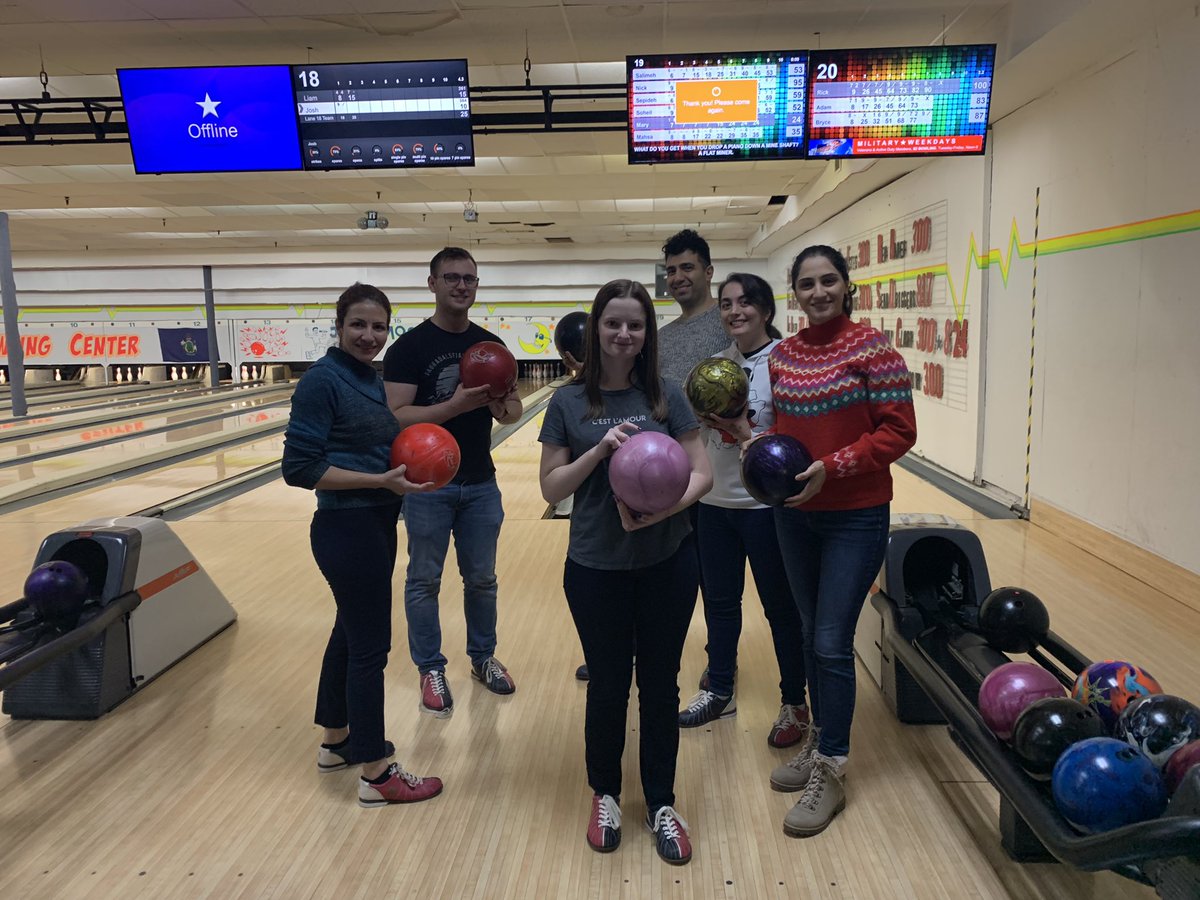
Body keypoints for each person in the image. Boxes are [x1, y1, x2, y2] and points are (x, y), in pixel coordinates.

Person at [539, 279, 713, 865]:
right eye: (612, 323)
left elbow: (702, 473)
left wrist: (663, 510)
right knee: (609, 685)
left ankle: (661, 802)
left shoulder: (666, 395)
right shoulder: (568, 403)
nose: (623, 333)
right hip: (596, 566)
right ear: (596, 327)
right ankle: (606, 795)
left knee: (661, 685)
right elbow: (551, 487)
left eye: (635, 324)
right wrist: (598, 452)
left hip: (668, 560)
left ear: (646, 332)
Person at [764, 245, 917, 837]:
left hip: (855, 514)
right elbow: (782, 428)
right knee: (810, 634)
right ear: (795, 293)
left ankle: (832, 765)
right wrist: (756, 446)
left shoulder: (874, 350)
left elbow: (899, 430)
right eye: (807, 284)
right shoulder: (784, 355)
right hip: (795, 516)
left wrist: (834, 465)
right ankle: (821, 742)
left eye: (829, 280)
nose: (819, 292)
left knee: (830, 640)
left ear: (847, 285)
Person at [282, 282, 443, 808]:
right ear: (339, 326)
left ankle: (337, 741)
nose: (369, 335)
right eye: (358, 324)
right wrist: (380, 482)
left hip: (372, 524)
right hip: (347, 528)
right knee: (371, 648)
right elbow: (299, 468)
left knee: (349, 635)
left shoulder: (367, 377)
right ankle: (376, 773)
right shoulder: (322, 381)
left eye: (378, 326)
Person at [383, 248, 523, 718]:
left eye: (469, 278)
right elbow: (395, 417)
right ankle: (430, 668)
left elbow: (513, 411)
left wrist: (503, 406)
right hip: (427, 487)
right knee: (424, 580)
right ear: (432, 283)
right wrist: (453, 406)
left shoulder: (490, 345)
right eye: (451, 278)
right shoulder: (409, 348)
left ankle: (483, 659)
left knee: (482, 579)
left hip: (480, 481)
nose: (461, 286)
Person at [677, 273, 810, 750]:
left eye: (745, 302)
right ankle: (720, 690)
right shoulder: (714, 366)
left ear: (766, 310)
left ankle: (794, 702)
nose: (735, 311)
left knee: (780, 609)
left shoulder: (786, 363)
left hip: (765, 507)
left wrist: (743, 430)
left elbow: (796, 441)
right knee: (719, 604)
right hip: (715, 504)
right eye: (727, 304)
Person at [657, 229, 731, 692]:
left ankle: (720, 665)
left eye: (687, 267)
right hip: (672, 476)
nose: (678, 277)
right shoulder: (661, 337)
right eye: (671, 270)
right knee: (664, 574)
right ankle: (645, 650)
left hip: (723, 479)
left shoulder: (730, 322)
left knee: (716, 587)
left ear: (708, 271)